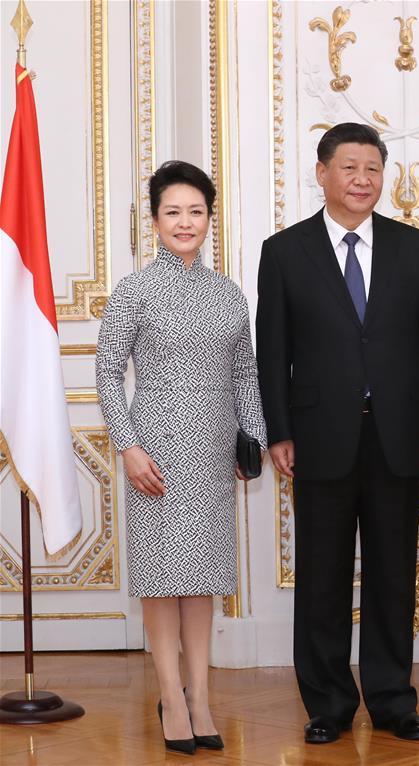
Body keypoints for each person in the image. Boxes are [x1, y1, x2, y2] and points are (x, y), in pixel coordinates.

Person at [255, 123, 419, 744]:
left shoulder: (414, 247)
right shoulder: (284, 251)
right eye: (349, 167)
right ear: (322, 173)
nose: (362, 179)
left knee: (394, 572)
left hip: (399, 435)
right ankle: (328, 704)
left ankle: (394, 700)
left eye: (373, 168)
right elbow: (273, 352)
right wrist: (279, 431)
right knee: (322, 576)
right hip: (318, 437)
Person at [96, 160, 267, 755]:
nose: (185, 222)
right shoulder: (134, 289)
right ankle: (170, 695)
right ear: (155, 221)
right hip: (156, 456)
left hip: (215, 454)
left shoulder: (228, 294)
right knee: (162, 583)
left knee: (203, 583)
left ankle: (201, 697)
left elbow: (246, 372)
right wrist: (128, 444)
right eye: (173, 211)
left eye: (196, 211)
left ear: (209, 219)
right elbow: (108, 370)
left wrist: (255, 436)